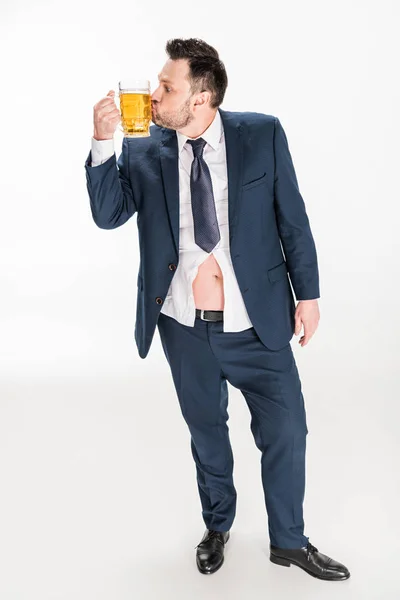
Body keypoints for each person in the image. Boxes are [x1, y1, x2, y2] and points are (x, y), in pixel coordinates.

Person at [84, 37, 350, 581]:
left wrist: (310, 295)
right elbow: (108, 215)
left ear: (200, 97)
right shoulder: (143, 147)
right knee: (207, 434)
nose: (154, 94)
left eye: (166, 86)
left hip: (257, 323)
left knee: (287, 430)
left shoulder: (262, 134)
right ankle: (217, 526)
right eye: (158, 84)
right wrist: (103, 140)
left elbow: (291, 219)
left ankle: (289, 542)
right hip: (185, 328)